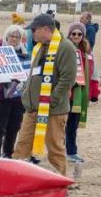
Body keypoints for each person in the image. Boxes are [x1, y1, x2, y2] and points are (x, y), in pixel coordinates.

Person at [12, 14, 78, 177]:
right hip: (33, 108)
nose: (31, 33)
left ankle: (62, 180)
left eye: (34, 30)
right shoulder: (39, 47)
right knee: (22, 144)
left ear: (46, 30)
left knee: (54, 147)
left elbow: (67, 79)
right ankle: (14, 176)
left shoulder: (65, 47)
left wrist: (51, 100)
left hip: (53, 110)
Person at [0, 24, 28, 158]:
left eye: (18, 37)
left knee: (14, 127)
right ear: (7, 36)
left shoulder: (24, 53)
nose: (14, 39)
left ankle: (8, 153)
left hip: (18, 97)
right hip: (1, 96)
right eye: (12, 36)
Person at [65, 22, 99, 175]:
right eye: (74, 34)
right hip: (65, 92)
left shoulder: (88, 52)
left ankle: (71, 151)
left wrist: (94, 92)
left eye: (79, 34)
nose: (76, 37)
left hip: (80, 94)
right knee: (57, 125)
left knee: (73, 124)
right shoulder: (64, 49)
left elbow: (93, 73)